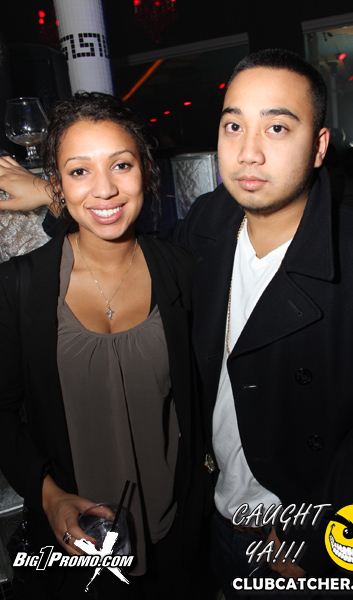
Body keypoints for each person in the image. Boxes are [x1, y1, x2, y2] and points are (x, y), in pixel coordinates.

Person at [3, 49, 353, 599]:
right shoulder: (209, 224)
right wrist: (56, 194)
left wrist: (317, 539)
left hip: (294, 537)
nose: (249, 151)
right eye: (233, 125)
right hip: (207, 521)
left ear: (319, 145)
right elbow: (120, 236)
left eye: (277, 127)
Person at [0, 92, 205, 600]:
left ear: (146, 171)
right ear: (56, 183)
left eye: (121, 164)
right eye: (79, 171)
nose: (105, 188)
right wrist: (50, 497)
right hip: (73, 549)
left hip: (176, 537)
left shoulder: (183, 270)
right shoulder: (19, 287)